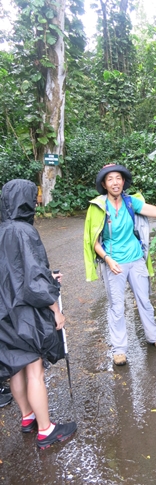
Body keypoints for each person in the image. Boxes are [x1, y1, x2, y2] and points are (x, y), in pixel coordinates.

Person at [0, 179, 77, 449]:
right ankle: (46, 430)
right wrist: (55, 308)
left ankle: (27, 417)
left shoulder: (2, 230)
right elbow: (33, 281)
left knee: (15, 368)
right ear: (26, 201)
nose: (36, 202)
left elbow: (13, 272)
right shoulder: (24, 232)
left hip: (3, 313)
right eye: (34, 198)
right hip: (24, 312)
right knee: (34, 370)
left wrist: (48, 275)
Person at [84, 164, 156, 366]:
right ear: (104, 184)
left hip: (136, 259)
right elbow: (92, 240)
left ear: (123, 181)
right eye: (110, 179)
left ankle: (154, 336)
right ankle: (119, 349)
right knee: (117, 307)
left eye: (118, 178)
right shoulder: (97, 207)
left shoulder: (131, 202)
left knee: (144, 300)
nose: (115, 182)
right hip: (114, 264)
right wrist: (108, 259)